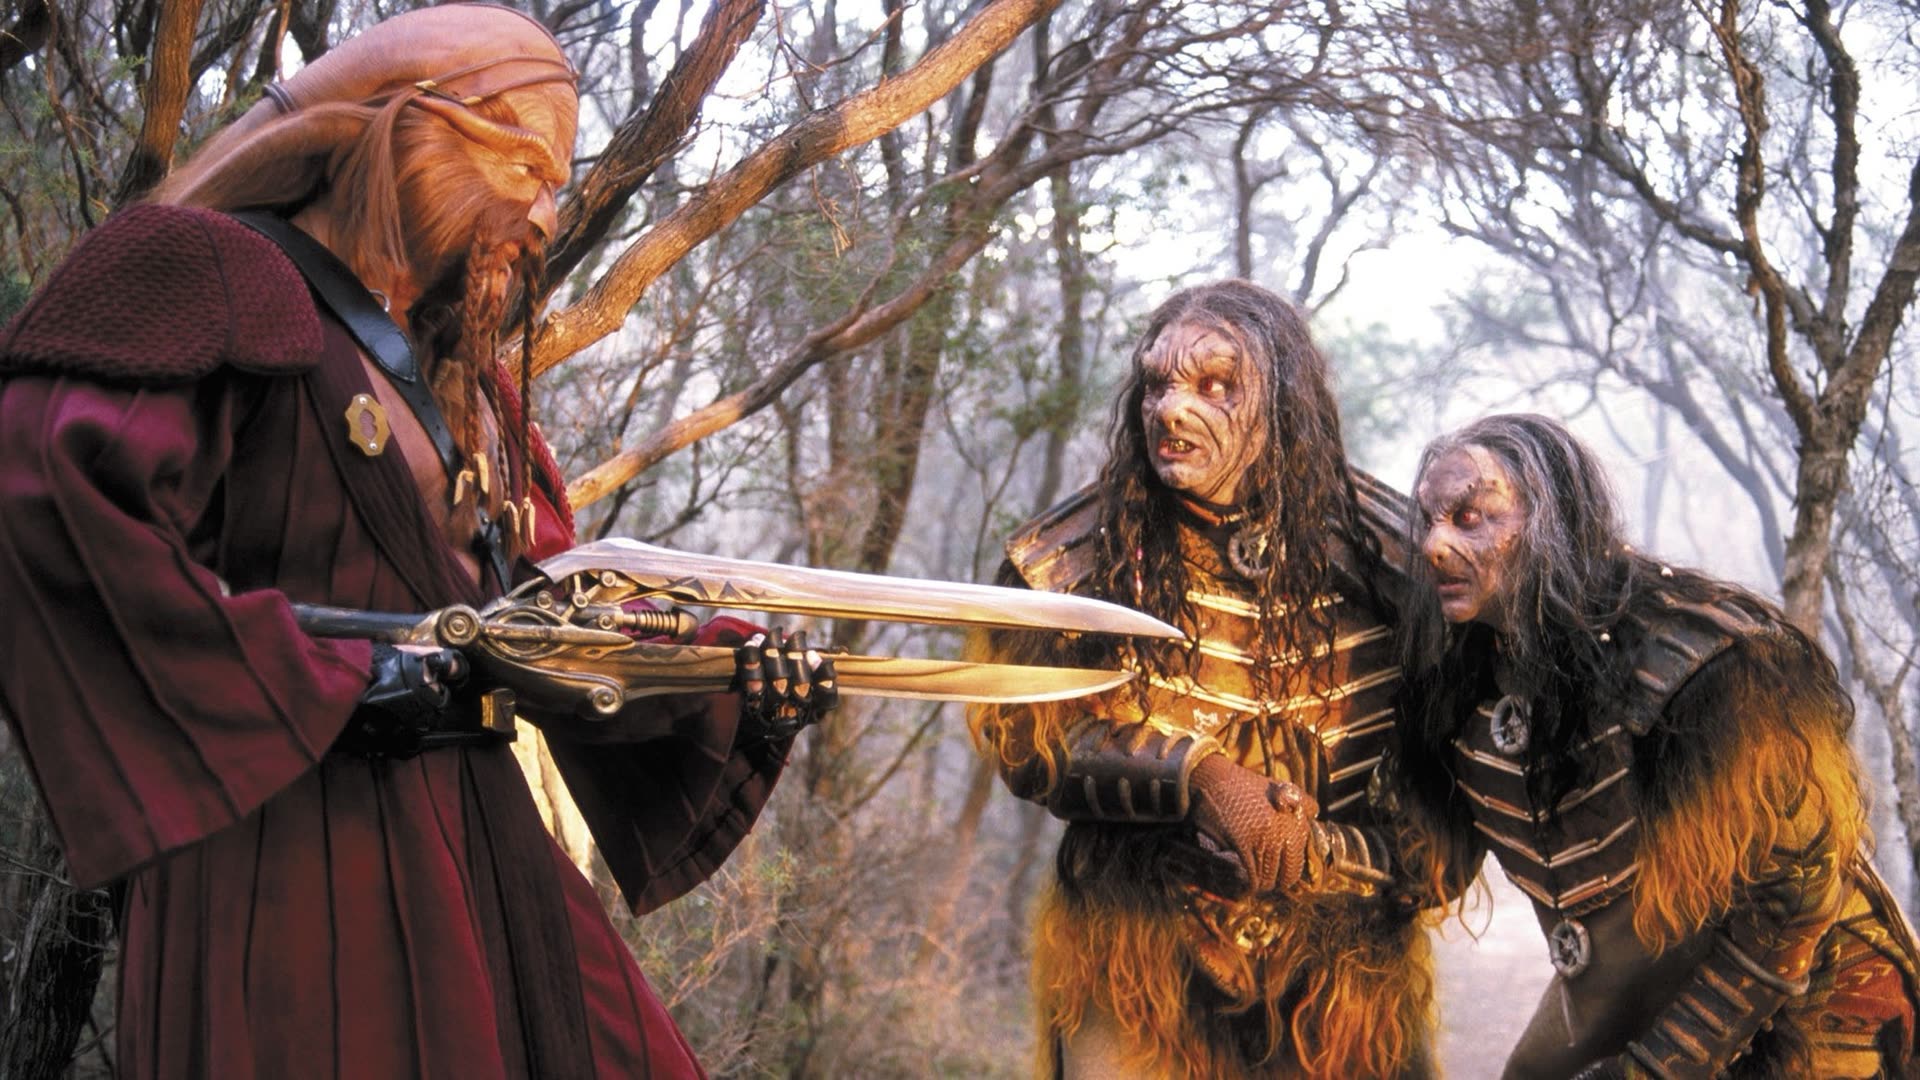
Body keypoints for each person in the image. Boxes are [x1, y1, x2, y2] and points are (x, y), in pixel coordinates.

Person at [0, 6, 828, 1076]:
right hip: (288, 862)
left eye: (557, 183)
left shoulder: (465, 392)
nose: (544, 213)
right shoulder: (212, 270)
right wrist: (339, 678)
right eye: (526, 164)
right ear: (408, 128)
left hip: (482, 838)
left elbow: (542, 625)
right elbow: (45, 505)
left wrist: (721, 670)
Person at [970, 279, 1437, 1078]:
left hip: (1343, 974)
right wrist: (1199, 776)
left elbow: (1449, 792)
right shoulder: (1067, 561)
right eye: (1158, 384)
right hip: (1137, 945)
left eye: (1216, 385)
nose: (1171, 411)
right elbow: (1023, 735)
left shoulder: (1396, 556)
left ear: (1282, 403)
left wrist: (1321, 851)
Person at [1399, 412, 1920, 1078]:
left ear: (1553, 521)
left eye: (1471, 518)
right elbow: (1428, 864)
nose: (1434, 545)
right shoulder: (1463, 678)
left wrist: (1654, 1068)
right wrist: (1306, 841)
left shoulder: (1702, 668)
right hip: (1633, 986)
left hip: (1818, 1004)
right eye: (1429, 520)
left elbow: (1795, 896)